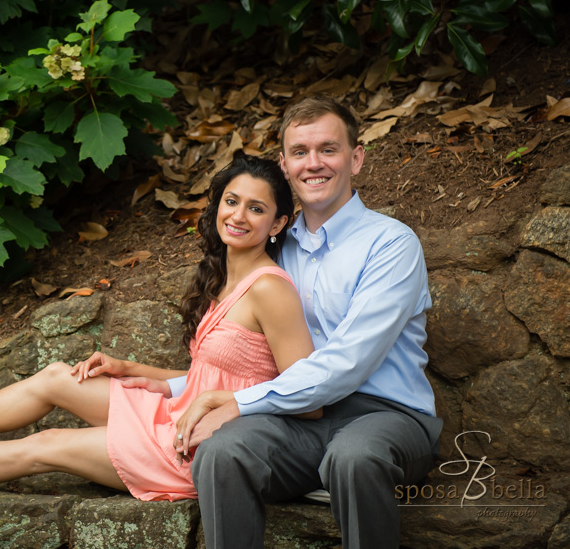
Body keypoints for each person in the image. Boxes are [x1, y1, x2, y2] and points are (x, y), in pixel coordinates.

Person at [0, 154, 320, 498]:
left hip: (202, 448)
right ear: (216, 204)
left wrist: (223, 414)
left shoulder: (269, 289)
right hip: (180, 413)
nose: (238, 215)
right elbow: (215, 375)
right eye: (231, 201)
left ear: (277, 223)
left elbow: (307, 399)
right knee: (55, 377)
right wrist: (132, 367)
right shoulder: (223, 275)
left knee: (45, 446)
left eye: (256, 209)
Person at [183, 95, 444, 548]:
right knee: (222, 451)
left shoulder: (391, 245)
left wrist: (239, 404)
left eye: (328, 149)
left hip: (388, 415)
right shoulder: (275, 252)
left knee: (354, 456)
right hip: (300, 419)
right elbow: (239, 351)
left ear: (356, 158)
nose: (313, 164)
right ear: (284, 165)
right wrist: (163, 385)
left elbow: (347, 363)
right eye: (300, 152)